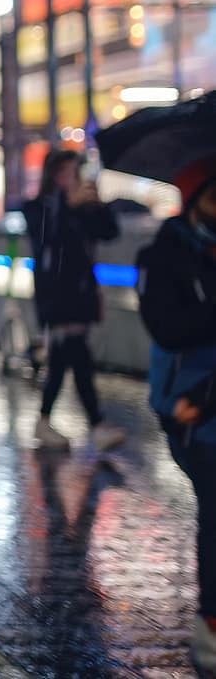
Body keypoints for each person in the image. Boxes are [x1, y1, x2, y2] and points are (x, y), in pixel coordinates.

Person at [141, 158, 216, 674]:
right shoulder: (162, 257)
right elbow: (169, 329)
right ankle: (211, 623)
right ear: (194, 201)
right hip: (190, 406)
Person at [24, 150, 126, 452]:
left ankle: (47, 421)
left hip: (80, 294)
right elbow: (47, 239)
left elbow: (110, 232)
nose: (73, 178)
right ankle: (95, 424)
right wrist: (69, 207)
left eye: (76, 171)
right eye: (67, 171)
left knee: (63, 359)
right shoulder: (39, 208)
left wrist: (98, 205)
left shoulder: (82, 208)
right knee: (77, 356)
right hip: (56, 297)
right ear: (53, 174)